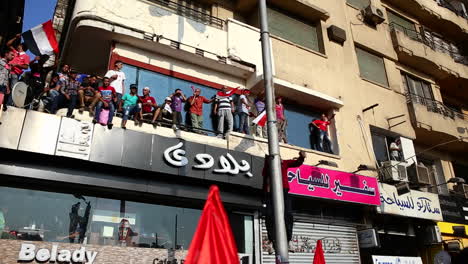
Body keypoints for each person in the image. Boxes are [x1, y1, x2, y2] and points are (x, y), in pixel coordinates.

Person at [263, 151, 306, 248]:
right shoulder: (268, 165)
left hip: (283, 190)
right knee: (269, 215)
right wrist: (268, 162)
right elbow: (264, 175)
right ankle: (271, 240)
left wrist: (302, 157)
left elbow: (296, 163)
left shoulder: (285, 163)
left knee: (288, 214)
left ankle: (289, 239)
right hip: (270, 193)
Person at [6, 34, 29, 105]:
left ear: (22, 47)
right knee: (4, 85)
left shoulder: (26, 56)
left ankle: (8, 104)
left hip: (15, 74)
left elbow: (26, 67)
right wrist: (15, 37)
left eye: (19, 45)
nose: (18, 45)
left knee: (13, 89)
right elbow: (8, 44)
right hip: (7, 71)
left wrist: (17, 65)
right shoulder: (15, 52)